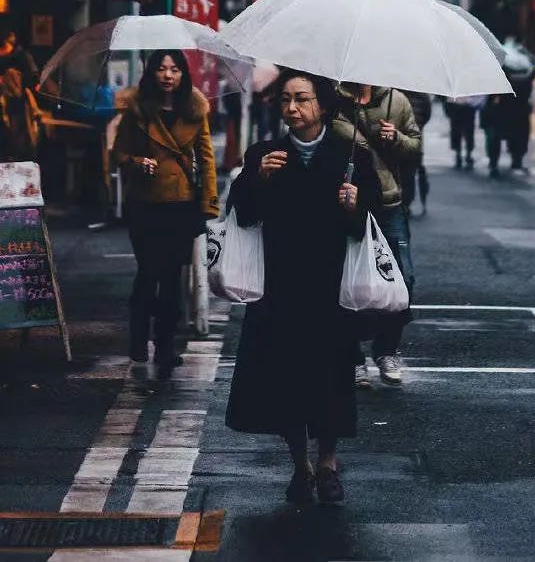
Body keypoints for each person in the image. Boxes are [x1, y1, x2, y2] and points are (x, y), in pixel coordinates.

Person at [225, 70, 378, 506]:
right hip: (280, 287)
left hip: (330, 287)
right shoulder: (265, 154)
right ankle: (300, 466)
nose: (292, 108)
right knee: (286, 379)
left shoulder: (350, 156)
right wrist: (258, 179)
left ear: (323, 106)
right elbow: (243, 214)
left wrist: (354, 205)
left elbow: (367, 225)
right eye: (286, 99)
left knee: (331, 378)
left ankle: (328, 464)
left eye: (302, 99)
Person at [113, 50, 219, 376]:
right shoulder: (137, 109)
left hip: (180, 203)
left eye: (174, 69)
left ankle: (165, 345)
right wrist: (137, 162)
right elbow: (118, 153)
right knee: (148, 272)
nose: (168, 75)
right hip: (144, 203)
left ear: (184, 74)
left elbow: (207, 158)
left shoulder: (195, 109)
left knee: (171, 277)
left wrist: (209, 203)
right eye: (161, 69)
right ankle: (138, 336)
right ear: (152, 73)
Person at [331, 85, 421, 386]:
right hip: (346, 203)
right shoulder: (332, 102)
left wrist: (396, 138)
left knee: (402, 278)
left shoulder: (396, 101)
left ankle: (386, 350)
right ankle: (352, 356)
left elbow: (415, 148)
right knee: (348, 280)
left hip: (389, 203)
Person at [0, 23, 41, 161]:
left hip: (19, 104)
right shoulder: (4, 59)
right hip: (8, 104)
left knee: (18, 134)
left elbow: (34, 80)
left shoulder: (22, 57)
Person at [445, 94, 482, 169]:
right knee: (460, 134)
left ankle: (465, 155)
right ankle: (463, 155)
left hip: (464, 108)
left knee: (466, 134)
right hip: (459, 108)